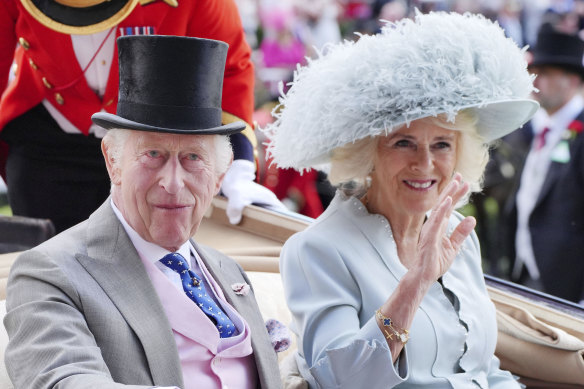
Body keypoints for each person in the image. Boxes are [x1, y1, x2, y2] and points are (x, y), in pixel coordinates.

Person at [264, 11, 538, 388]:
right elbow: (342, 380)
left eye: (441, 144)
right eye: (403, 143)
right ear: (366, 153)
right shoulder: (318, 250)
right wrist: (417, 282)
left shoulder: (459, 233)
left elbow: (481, 370)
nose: (424, 163)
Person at [4, 35, 281, 389]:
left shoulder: (229, 271)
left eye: (193, 158)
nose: (173, 182)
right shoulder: (49, 272)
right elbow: (63, 381)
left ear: (218, 178)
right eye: (153, 155)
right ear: (113, 161)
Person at [0, 0, 284, 232]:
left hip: (155, 145)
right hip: (47, 146)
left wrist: (237, 166)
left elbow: (229, 69)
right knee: (48, 269)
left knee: (146, 273)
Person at [505, 23, 584, 305]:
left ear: (572, 81)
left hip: (569, 285)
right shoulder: (543, 126)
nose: (535, 82)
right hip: (527, 269)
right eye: (533, 74)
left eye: (546, 74)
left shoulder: (580, 131)